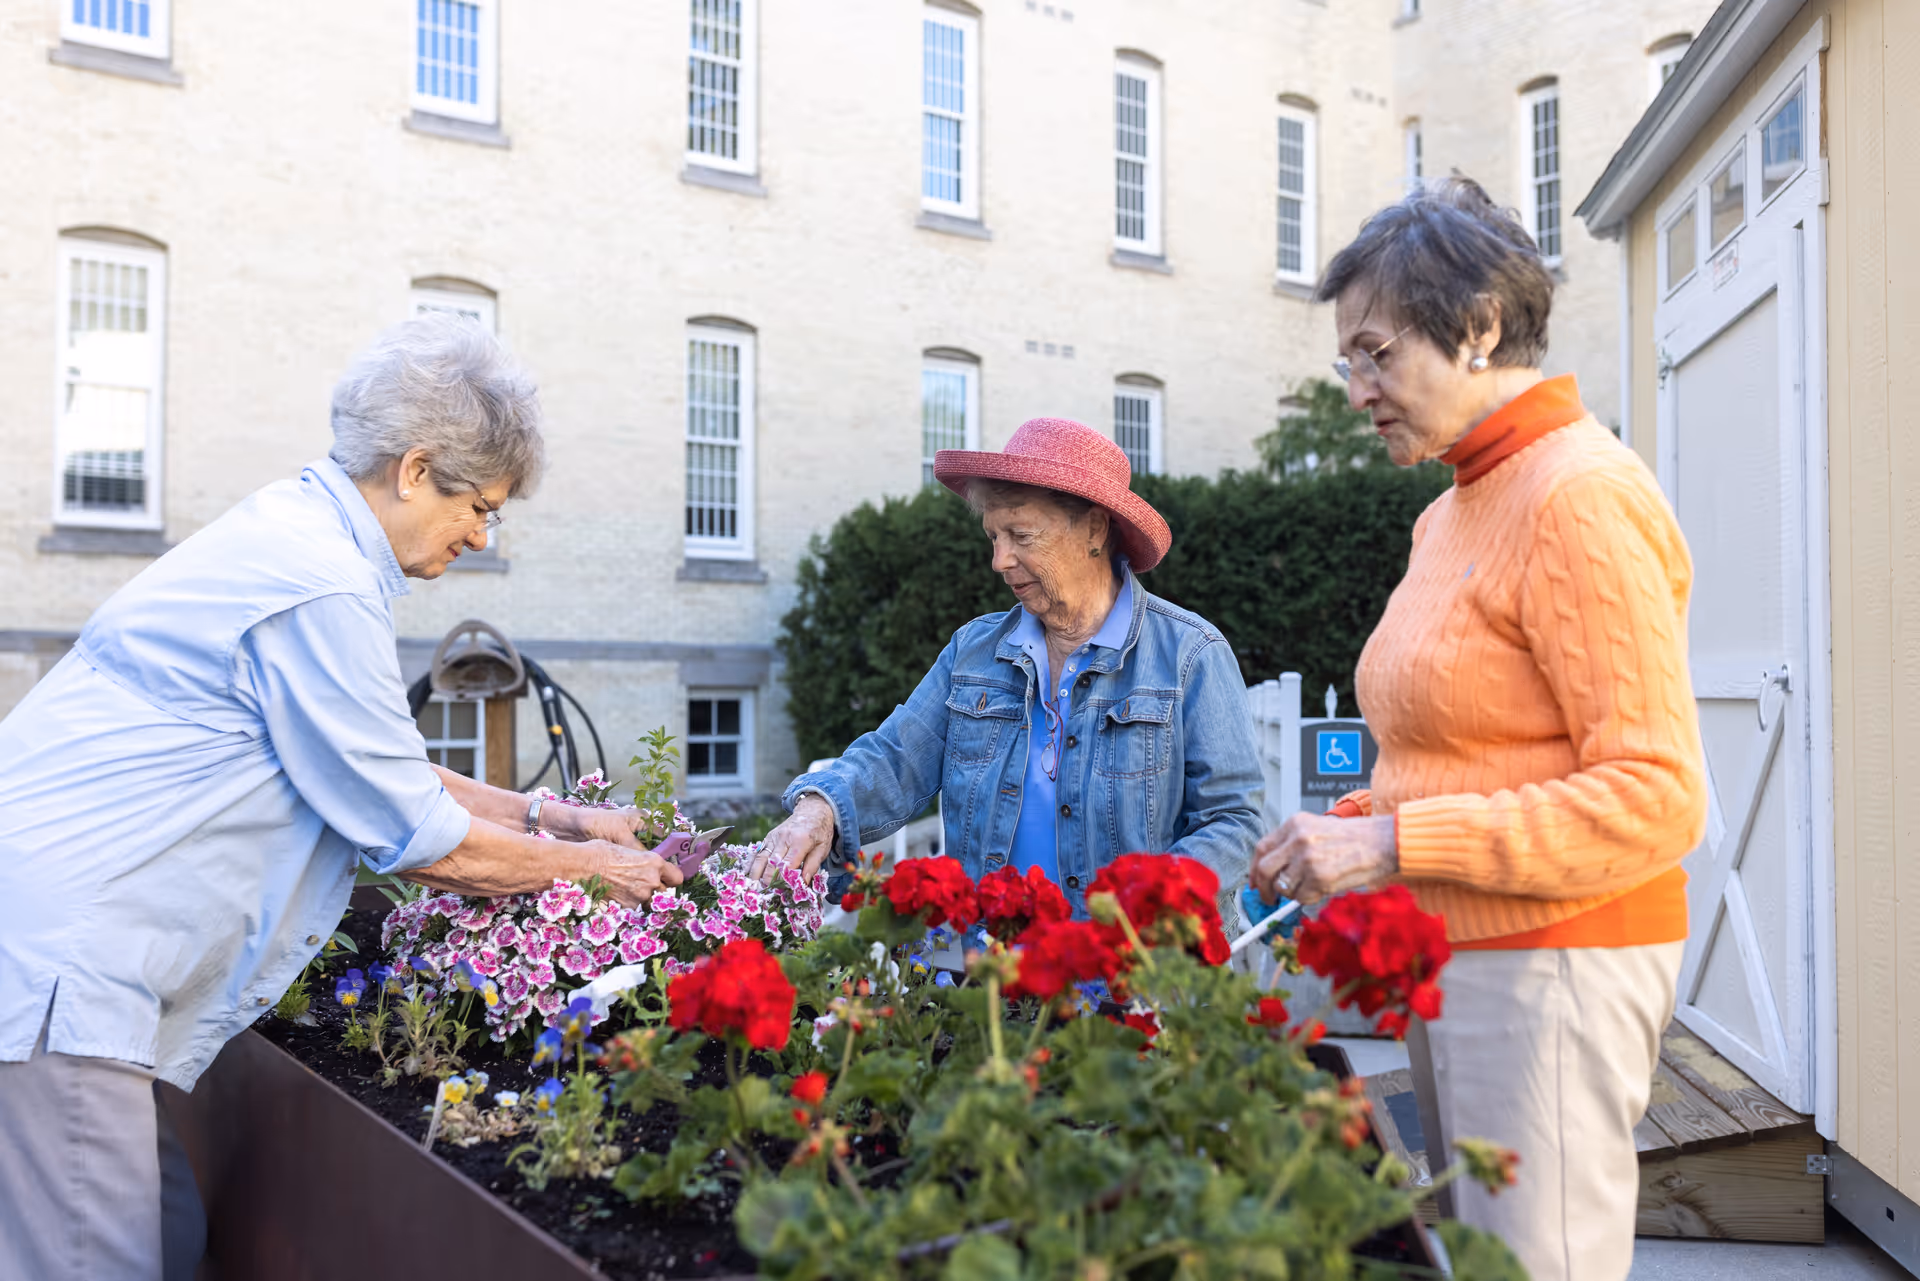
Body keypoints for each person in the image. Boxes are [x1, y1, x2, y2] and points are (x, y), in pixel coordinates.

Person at [0, 315, 685, 1281]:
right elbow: (416, 836)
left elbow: (376, 764)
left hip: (66, 959)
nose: (483, 535)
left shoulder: (299, 536)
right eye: (479, 505)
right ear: (414, 470)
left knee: (168, 1229)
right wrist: (600, 869)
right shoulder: (318, 582)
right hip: (62, 975)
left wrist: (555, 817)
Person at [1248, 178, 1707, 1281]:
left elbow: (1655, 793)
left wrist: (1395, 845)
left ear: (1482, 328)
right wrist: (1354, 824)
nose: (1358, 390)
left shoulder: (1577, 494)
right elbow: (1469, 745)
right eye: (1346, 363)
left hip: (1556, 966)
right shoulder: (1452, 508)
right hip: (1457, 958)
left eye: (1376, 354)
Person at [749, 416, 1263, 918]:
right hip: (993, 984)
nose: (1000, 560)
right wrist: (819, 808)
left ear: (1094, 528)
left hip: (1133, 980)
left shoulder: (1190, 654)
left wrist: (1148, 905)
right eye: (994, 537)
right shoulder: (973, 650)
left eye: (1021, 534)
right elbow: (896, 756)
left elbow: (1234, 820)